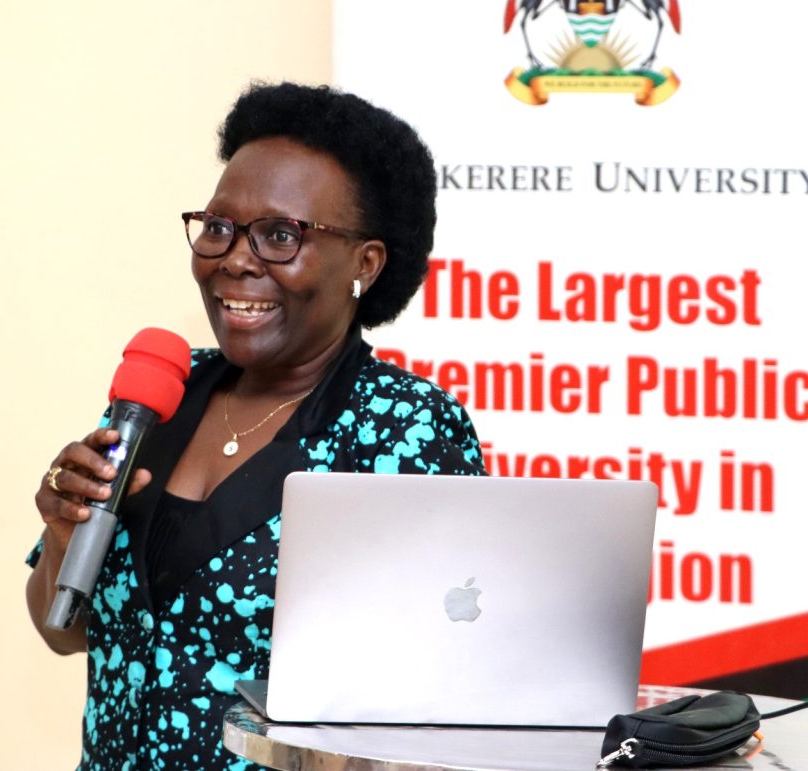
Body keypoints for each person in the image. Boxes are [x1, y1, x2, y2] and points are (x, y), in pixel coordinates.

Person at [26, 81, 485, 769]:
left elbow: (440, 696)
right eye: (218, 227)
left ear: (365, 264)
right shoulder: (160, 396)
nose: (235, 259)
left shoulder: (406, 432)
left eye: (280, 235)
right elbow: (63, 630)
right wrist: (64, 538)